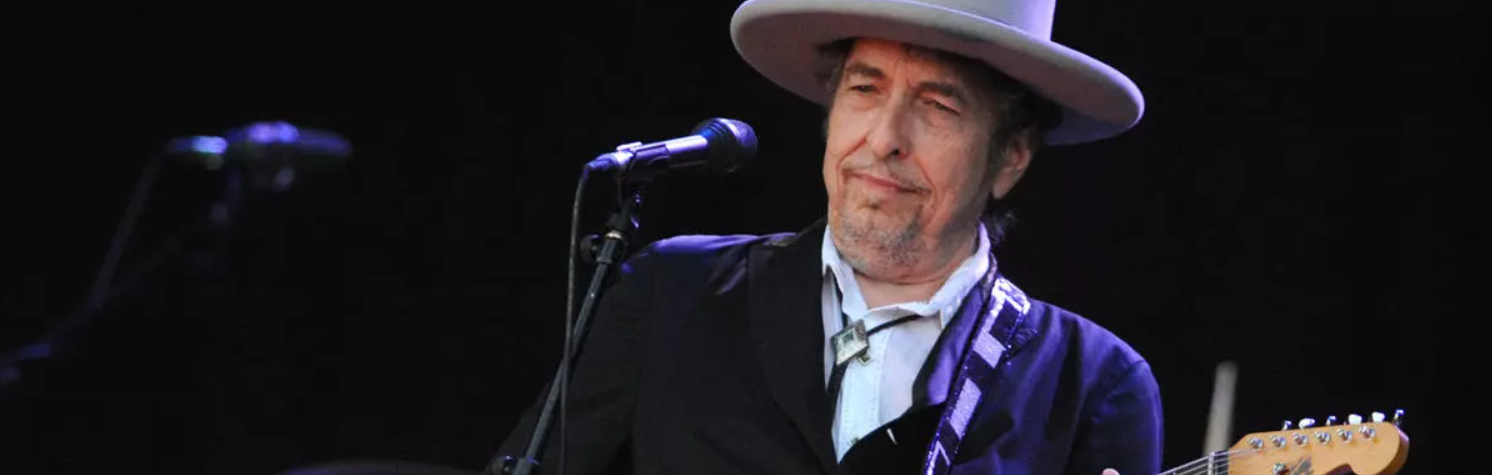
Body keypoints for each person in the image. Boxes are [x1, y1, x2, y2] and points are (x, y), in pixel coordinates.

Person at [495, 0, 1163, 474]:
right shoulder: (672, 291)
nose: (884, 138)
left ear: (1011, 156)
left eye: (938, 105)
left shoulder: (1095, 384)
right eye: (865, 89)